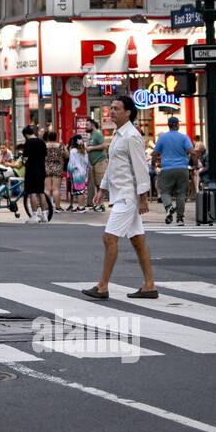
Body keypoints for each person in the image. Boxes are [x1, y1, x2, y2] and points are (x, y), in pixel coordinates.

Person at [82, 95, 158, 300]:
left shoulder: (132, 136)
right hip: (121, 193)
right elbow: (113, 164)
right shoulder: (118, 134)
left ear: (128, 112)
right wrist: (102, 189)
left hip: (128, 195)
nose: (111, 111)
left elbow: (140, 168)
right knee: (137, 240)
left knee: (109, 238)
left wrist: (143, 197)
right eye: (111, 108)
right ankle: (149, 285)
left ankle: (102, 286)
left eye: (116, 108)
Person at [152, 115, 194, 226]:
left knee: (164, 191)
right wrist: (193, 164)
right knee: (181, 193)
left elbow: (155, 153)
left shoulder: (162, 138)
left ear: (168, 125)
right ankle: (180, 218)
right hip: (182, 169)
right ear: (177, 125)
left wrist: (153, 163)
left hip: (167, 169)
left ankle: (169, 207)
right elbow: (192, 151)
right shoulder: (184, 137)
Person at [21, 125, 47, 222]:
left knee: (32, 193)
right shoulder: (42, 142)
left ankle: (35, 216)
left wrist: (23, 162)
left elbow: (25, 158)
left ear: (26, 134)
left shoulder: (28, 143)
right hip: (41, 170)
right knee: (41, 192)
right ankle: (45, 216)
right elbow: (44, 155)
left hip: (31, 170)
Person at [86, 116, 108, 212]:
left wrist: (92, 148)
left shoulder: (98, 133)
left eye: (87, 125)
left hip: (100, 162)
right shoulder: (91, 135)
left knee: (100, 184)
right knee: (96, 184)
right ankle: (98, 203)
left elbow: (104, 145)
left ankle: (101, 205)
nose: (85, 127)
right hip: (94, 163)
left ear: (93, 125)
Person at [43, 130, 67, 213]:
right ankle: (57, 207)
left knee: (47, 189)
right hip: (57, 167)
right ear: (56, 137)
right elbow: (67, 155)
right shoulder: (60, 145)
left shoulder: (44, 145)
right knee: (56, 189)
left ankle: (46, 207)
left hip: (46, 167)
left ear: (48, 137)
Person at [66, 135, 89, 212]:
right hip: (83, 173)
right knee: (82, 190)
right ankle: (81, 206)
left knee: (79, 191)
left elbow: (71, 164)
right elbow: (86, 162)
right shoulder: (84, 151)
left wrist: (69, 172)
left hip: (76, 173)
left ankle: (81, 207)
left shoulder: (73, 151)